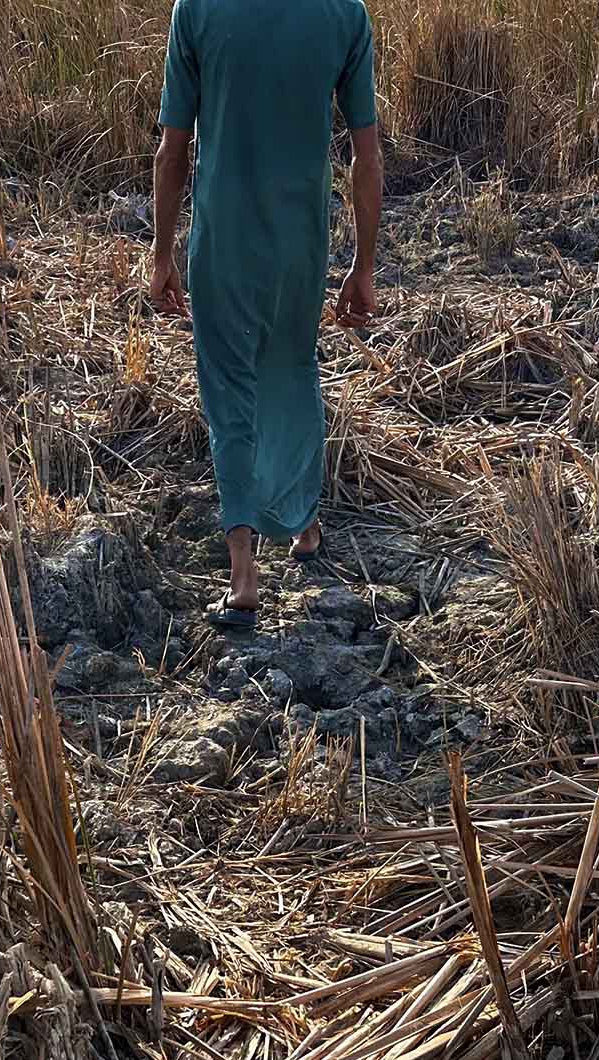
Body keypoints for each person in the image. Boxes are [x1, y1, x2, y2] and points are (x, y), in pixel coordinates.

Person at [149, 0, 382, 632]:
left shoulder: (196, 9)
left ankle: (244, 574)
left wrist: (162, 251)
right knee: (289, 367)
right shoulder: (343, 14)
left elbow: (174, 146)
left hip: (223, 240)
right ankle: (303, 524)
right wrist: (362, 266)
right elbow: (366, 151)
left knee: (229, 393)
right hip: (300, 243)